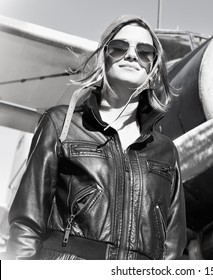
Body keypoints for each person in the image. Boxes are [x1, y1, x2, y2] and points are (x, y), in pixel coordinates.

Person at [6, 15, 186, 260]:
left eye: (144, 51)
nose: (132, 55)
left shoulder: (166, 150)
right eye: (119, 47)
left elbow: (172, 248)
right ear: (104, 56)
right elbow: (28, 223)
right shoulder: (61, 123)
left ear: (153, 67)